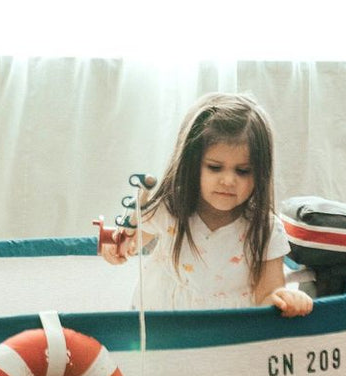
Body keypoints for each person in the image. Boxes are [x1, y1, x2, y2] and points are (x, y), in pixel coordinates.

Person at [101, 92, 313, 317]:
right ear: (192, 165)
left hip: (225, 328)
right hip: (162, 319)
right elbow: (129, 242)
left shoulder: (265, 229)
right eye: (215, 167)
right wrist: (115, 248)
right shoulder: (171, 208)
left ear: (260, 174)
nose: (228, 180)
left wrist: (286, 299)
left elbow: (268, 293)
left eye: (243, 171)